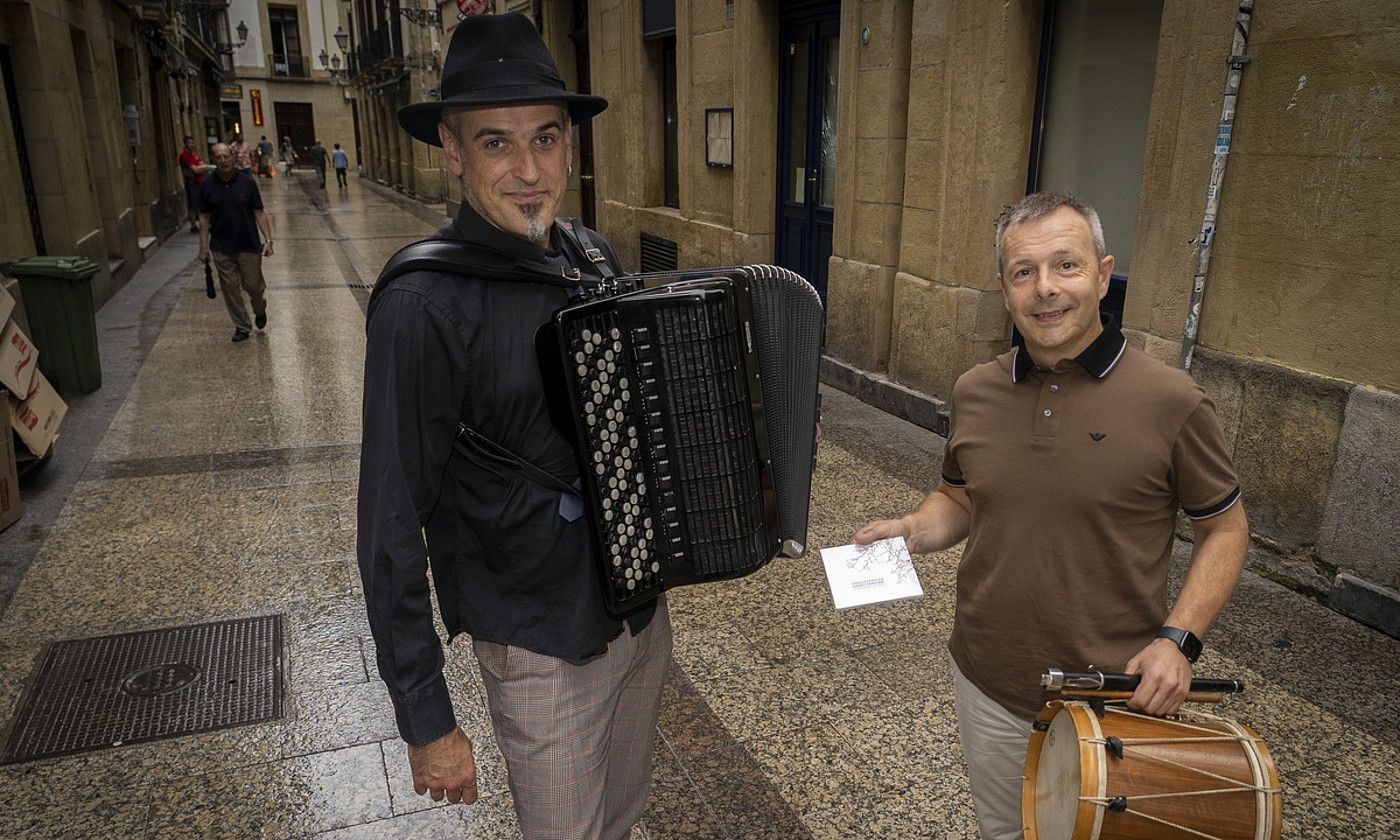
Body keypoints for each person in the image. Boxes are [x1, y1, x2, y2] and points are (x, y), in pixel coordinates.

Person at [357, 13, 671, 840]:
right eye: (496, 143)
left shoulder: (592, 255)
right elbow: (389, 524)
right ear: (453, 152)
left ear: (571, 144)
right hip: (540, 643)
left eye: (546, 138)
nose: (528, 171)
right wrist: (425, 717)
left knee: (621, 822)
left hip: (640, 619)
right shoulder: (422, 305)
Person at [854, 192, 1249, 839]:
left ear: (1101, 273)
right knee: (1006, 830)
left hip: (1114, 690)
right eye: (1023, 272)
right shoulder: (975, 391)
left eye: (1065, 266)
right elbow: (958, 497)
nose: (1045, 289)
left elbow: (1225, 530)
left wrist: (1179, 641)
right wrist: (914, 528)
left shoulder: (1171, 401)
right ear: (1005, 289)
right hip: (988, 675)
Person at [197, 143, 273, 343]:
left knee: (254, 286)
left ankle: (259, 308)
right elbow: (204, 217)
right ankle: (242, 326)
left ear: (233, 157)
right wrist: (203, 247)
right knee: (230, 288)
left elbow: (259, 212)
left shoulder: (247, 183)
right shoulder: (206, 185)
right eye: (218, 157)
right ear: (213, 160)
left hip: (248, 243)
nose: (222, 161)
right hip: (221, 246)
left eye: (226, 156)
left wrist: (269, 240)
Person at [178, 136, 207, 234]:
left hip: (199, 181)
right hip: (191, 181)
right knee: (193, 204)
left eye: (192, 142)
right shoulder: (184, 155)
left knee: (200, 203)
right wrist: (200, 168)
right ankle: (193, 226)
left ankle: (201, 224)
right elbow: (194, 169)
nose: (192, 144)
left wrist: (201, 167)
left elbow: (203, 165)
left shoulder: (195, 154)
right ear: (185, 144)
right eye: (189, 143)